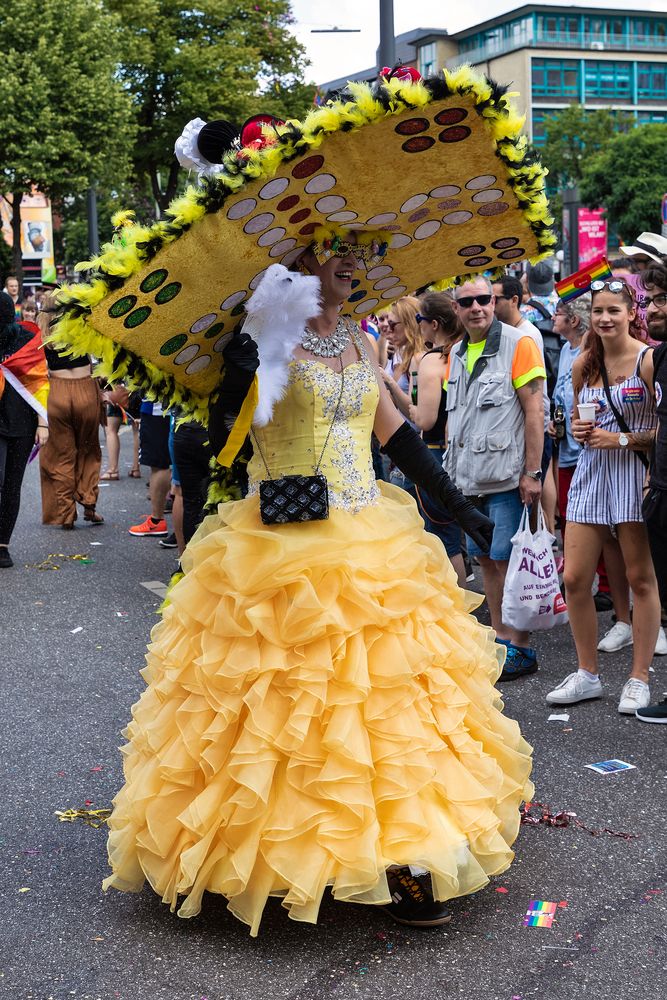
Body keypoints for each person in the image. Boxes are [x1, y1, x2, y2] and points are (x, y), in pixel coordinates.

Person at [101, 233, 533, 936]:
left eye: (353, 252)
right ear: (294, 265)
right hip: (279, 545)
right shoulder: (258, 340)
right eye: (328, 250)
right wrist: (246, 364)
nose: (347, 261)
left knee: (389, 712)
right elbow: (225, 437)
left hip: (372, 543)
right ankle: (261, 857)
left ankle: (407, 863)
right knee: (279, 711)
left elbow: (397, 438)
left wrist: (453, 504)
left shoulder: (363, 346)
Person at [546, 279, 660, 716]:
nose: (606, 318)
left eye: (614, 310)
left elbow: (661, 432)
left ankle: (639, 677)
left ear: (633, 313)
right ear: (588, 317)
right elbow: (580, 419)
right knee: (574, 577)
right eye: (598, 311)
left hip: (635, 475)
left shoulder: (647, 360)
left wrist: (623, 439)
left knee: (639, 578)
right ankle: (588, 673)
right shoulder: (582, 364)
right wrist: (577, 429)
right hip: (592, 476)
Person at [446, 277, 546, 680]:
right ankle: (502, 638)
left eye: (483, 299)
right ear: (456, 308)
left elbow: (534, 413)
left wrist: (533, 473)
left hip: (507, 479)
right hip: (468, 481)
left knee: (508, 561)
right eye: (467, 301)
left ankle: (521, 646)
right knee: (485, 560)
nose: (476, 307)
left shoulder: (519, 344)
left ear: (494, 301)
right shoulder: (455, 350)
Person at [407, 292, 467, 587]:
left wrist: (398, 395)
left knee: (441, 533)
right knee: (452, 532)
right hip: (462, 452)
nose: (419, 326)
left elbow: (424, 419)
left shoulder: (433, 360)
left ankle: (458, 609)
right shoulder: (464, 351)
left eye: (420, 320)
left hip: (433, 453)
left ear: (432, 323)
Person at [492, 274, 557, 532]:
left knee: (535, 483)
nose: (490, 304)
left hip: (533, 423)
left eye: (496, 299)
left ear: (515, 300)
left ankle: (544, 536)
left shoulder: (526, 336)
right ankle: (545, 534)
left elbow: (535, 396)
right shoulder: (509, 332)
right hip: (523, 423)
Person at [39, 301, 104, 529]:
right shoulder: (81, 326)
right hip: (85, 389)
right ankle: (89, 504)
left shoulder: (43, 332)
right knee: (88, 449)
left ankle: (66, 514)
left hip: (56, 392)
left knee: (60, 455)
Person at [637, 263, 667, 722]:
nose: (653, 309)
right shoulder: (657, 358)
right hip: (661, 492)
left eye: (661, 299)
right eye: (649, 300)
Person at [0, 291, 49, 567]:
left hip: (23, 422)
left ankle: (2, 544)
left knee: (12, 486)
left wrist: (43, 422)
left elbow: (41, 381)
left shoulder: (27, 341)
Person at [128, 399, 171, 537]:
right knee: (162, 464)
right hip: (168, 410)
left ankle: (156, 520)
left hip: (158, 410)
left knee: (159, 465)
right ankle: (157, 516)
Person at [100, 384, 141, 480]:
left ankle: (113, 470)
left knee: (111, 430)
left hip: (118, 388)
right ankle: (136, 468)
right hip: (137, 387)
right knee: (137, 428)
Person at [520, 261, 558, 326]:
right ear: (552, 278)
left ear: (526, 279)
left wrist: (520, 285)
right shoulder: (563, 306)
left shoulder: (522, 313)